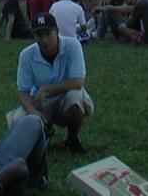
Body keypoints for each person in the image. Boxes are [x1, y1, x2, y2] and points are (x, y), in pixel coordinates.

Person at [8, 12, 93, 154]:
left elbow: (78, 81)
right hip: (41, 102)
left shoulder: (72, 45)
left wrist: (47, 89)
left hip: (64, 96)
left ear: (57, 31)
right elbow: (23, 92)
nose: (44, 40)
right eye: (39, 35)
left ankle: (72, 138)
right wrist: (34, 112)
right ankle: (45, 131)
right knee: (18, 121)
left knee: (75, 99)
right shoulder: (26, 55)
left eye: (48, 34)